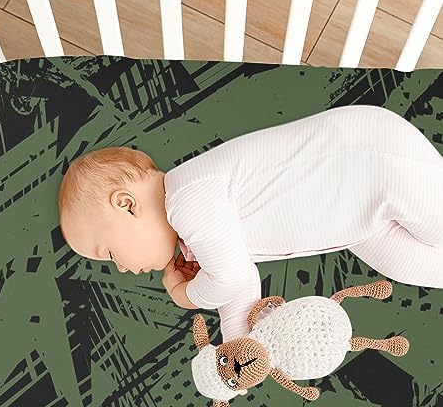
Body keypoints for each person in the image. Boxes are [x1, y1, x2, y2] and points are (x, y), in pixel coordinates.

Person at [58, 104, 443, 342]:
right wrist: (240, 351)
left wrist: (185, 295)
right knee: (409, 265)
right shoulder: (193, 232)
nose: (122, 268)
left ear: (126, 205)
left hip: (375, 162)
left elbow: (230, 279)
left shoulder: (188, 198)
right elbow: (240, 289)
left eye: (110, 253)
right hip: (357, 217)